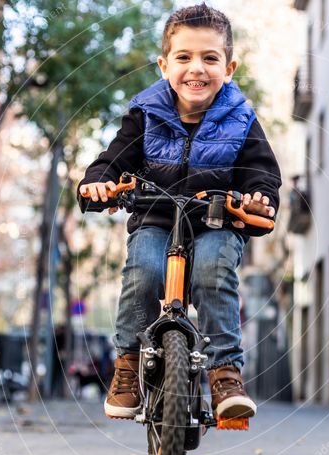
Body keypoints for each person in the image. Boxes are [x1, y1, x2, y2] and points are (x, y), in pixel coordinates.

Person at [77, 3, 281, 421]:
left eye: (210, 58)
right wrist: (99, 181)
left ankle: (225, 373)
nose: (197, 68)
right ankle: (129, 366)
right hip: (155, 219)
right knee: (144, 272)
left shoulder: (241, 119)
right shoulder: (145, 114)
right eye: (184, 57)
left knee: (212, 272)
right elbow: (113, 160)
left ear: (229, 67)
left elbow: (261, 171)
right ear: (163, 64)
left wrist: (260, 197)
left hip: (216, 221)